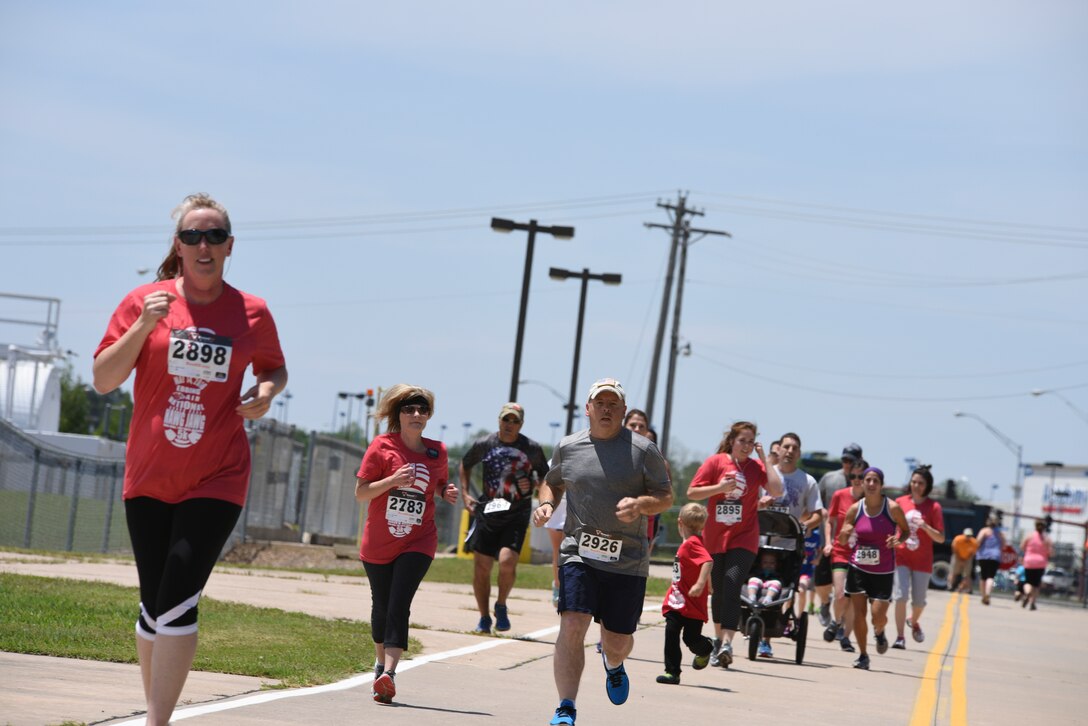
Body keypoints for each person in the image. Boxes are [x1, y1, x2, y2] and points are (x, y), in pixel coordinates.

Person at [93, 193, 288, 726]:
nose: (205, 245)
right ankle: (156, 711)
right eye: (194, 236)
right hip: (150, 474)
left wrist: (266, 394)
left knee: (178, 593)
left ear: (230, 247)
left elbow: (274, 368)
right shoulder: (144, 301)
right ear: (177, 246)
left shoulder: (252, 311)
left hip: (218, 474)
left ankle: (157, 722)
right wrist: (141, 326)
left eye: (216, 236)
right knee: (154, 602)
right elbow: (105, 379)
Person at [533, 378, 672, 726]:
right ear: (588, 408)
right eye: (601, 403)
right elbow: (552, 480)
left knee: (617, 639)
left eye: (614, 404)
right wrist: (548, 504)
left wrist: (641, 504)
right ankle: (566, 706)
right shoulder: (569, 446)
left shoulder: (643, 451)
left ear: (623, 411)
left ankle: (614, 664)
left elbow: (666, 497)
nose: (607, 409)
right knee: (573, 622)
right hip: (579, 551)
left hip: (627, 560)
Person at [354, 384, 459, 705]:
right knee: (382, 606)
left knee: (400, 602)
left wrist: (445, 492)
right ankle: (379, 664)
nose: (416, 415)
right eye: (410, 409)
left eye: (422, 410)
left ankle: (390, 673)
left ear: (429, 417)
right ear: (398, 414)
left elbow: (438, 483)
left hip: (419, 539)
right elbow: (361, 492)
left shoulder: (436, 451)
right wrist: (391, 481)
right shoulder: (381, 446)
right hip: (379, 541)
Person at [687, 421, 783, 668]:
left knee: (732, 583)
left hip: (745, 536)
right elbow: (692, 493)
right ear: (732, 441)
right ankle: (719, 641)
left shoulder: (756, 467)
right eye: (743, 441)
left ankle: (728, 642)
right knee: (718, 590)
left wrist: (765, 458)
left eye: (752, 442)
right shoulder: (715, 462)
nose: (747, 446)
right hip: (715, 537)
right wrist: (719, 488)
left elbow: (776, 489)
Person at [460, 402, 549, 633]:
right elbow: (465, 464)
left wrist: (540, 491)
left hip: (517, 512)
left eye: (515, 421)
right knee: (482, 567)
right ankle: (483, 617)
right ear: (499, 420)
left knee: (507, 562)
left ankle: (501, 605)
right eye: (506, 420)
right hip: (488, 510)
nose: (509, 425)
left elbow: (545, 476)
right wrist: (465, 493)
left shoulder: (531, 448)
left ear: (521, 424)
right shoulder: (485, 444)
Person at [838, 467, 910, 670]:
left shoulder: (893, 508)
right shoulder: (855, 509)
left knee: (878, 615)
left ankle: (879, 632)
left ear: (881, 485)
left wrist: (897, 539)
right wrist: (845, 532)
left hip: (883, 570)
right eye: (867, 480)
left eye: (875, 481)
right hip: (858, 567)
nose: (870, 484)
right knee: (859, 614)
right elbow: (843, 540)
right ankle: (863, 655)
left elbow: (905, 531)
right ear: (862, 483)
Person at [758, 431, 823, 656]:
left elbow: (818, 514)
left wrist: (805, 526)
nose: (790, 451)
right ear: (779, 449)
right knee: (756, 584)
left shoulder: (807, 481)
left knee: (782, 589)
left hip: (789, 546)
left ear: (799, 453)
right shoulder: (765, 475)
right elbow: (750, 503)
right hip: (761, 542)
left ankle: (766, 638)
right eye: (787, 447)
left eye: (794, 448)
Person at [656, 503, 714, 685]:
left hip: (693, 603)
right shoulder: (689, 543)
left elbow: (707, 562)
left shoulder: (692, 544)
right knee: (671, 632)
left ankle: (705, 648)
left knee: (691, 638)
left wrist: (701, 584)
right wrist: (709, 585)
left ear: (679, 522)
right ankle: (672, 672)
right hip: (677, 600)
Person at [892, 465, 945, 649]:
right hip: (902, 556)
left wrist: (925, 527)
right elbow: (891, 525)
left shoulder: (934, 507)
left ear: (927, 485)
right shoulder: (899, 502)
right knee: (900, 596)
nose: (916, 486)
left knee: (919, 601)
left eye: (920, 483)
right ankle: (900, 637)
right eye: (913, 482)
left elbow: (940, 537)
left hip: (923, 561)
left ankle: (913, 621)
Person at [822, 458, 868, 653]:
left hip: (863, 555)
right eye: (854, 476)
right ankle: (836, 621)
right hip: (840, 551)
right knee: (841, 595)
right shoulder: (840, 495)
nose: (857, 480)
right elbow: (830, 521)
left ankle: (846, 637)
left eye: (862, 476)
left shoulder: (873, 501)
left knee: (854, 598)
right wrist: (828, 542)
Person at [814, 443, 863, 626]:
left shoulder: (865, 481)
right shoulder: (829, 479)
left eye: (851, 460)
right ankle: (825, 603)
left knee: (844, 588)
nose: (847, 463)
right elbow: (816, 505)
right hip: (827, 540)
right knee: (820, 582)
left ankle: (841, 624)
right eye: (844, 459)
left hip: (853, 545)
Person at [1020, 520, 1052, 611]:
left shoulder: (1029, 536)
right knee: (1036, 584)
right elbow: (1050, 552)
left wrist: (1028, 551)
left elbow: (1022, 546)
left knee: (1028, 582)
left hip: (1029, 561)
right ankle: (1032, 603)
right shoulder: (1046, 539)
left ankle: (1027, 593)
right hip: (1041, 563)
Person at [975, 514, 1005, 605]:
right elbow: (1004, 545)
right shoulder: (1000, 533)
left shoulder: (984, 531)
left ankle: (983, 595)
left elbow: (978, 542)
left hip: (983, 555)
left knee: (983, 576)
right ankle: (988, 593)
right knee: (991, 577)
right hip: (995, 556)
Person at [950, 528, 979, 593]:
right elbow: (954, 549)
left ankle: (969, 589)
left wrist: (966, 559)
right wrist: (959, 557)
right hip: (957, 557)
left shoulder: (974, 542)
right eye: (967, 535)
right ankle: (951, 586)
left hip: (967, 559)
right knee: (954, 572)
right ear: (963, 534)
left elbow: (973, 553)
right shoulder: (958, 539)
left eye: (969, 536)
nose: (968, 537)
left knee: (967, 574)